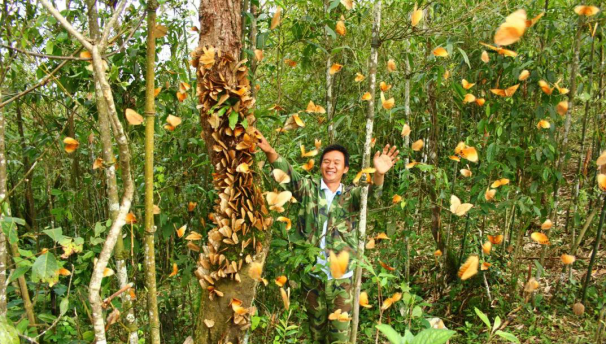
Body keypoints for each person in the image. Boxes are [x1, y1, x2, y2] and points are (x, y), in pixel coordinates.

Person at [256, 129, 399, 344]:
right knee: (316, 335)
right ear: (321, 165)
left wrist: (379, 174)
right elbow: (289, 175)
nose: (330, 166)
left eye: (336, 162)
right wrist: (269, 151)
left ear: (345, 169)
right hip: (313, 278)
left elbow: (372, 196)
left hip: (342, 281)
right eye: (326, 161)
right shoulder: (308, 189)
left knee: (339, 337)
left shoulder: (352, 195)